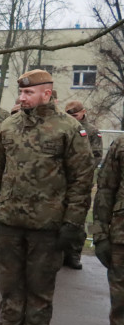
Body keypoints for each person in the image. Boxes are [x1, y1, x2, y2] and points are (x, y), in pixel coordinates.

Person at [0, 69, 94, 325]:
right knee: (10, 287)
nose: (22, 98)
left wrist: (73, 222)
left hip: (47, 225)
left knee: (40, 290)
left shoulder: (68, 128)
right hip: (9, 221)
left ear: (47, 93)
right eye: (21, 92)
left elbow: (82, 179)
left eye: (28, 92)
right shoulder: (8, 126)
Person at [92, 134, 124, 325]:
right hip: (122, 238)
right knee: (121, 304)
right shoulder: (121, 146)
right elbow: (105, 189)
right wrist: (100, 233)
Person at [62, 100, 102, 270]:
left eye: (75, 115)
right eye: (69, 115)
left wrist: (81, 172)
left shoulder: (91, 131)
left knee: (78, 219)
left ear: (83, 112)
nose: (73, 118)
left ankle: (74, 254)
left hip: (81, 182)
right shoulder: (64, 128)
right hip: (62, 182)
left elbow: (96, 156)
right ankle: (59, 253)